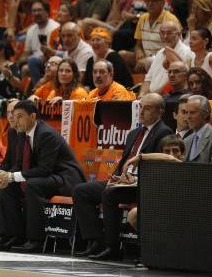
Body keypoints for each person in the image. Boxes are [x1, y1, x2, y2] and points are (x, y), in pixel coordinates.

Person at [73, 93, 172, 260]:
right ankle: (96, 240)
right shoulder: (134, 133)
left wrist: (133, 179)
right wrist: (115, 177)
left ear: (160, 112)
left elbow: (159, 166)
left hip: (143, 184)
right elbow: (125, 160)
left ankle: (112, 248)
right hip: (123, 181)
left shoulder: (164, 132)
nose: (141, 112)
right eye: (140, 107)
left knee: (110, 194)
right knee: (80, 191)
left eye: (147, 108)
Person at [0, 100, 85, 252]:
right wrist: (2, 176)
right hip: (48, 176)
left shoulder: (46, 134)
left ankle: (36, 240)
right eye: (14, 116)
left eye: (20, 116)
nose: (15, 120)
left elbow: (44, 169)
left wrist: (11, 176)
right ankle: (12, 235)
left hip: (66, 178)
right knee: (7, 187)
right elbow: (17, 165)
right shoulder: (22, 133)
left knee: (32, 185)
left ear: (33, 116)